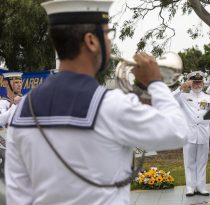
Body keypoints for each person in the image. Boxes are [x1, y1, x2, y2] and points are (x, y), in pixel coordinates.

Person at [5, 1, 188, 204]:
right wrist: (155, 82)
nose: (109, 42)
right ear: (92, 41)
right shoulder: (112, 106)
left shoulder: (21, 110)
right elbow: (178, 131)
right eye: (107, 34)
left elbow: (18, 196)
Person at [173, 71, 210, 197]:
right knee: (189, 162)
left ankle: (201, 186)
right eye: (194, 82)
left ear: (203, 83)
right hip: (188, 135)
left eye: (199, 82)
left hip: (203, 134)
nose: (197, 84)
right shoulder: (183, 97)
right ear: (190, 83)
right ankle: (190, 187)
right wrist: (181, 88)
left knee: (202, 162)